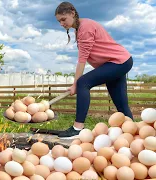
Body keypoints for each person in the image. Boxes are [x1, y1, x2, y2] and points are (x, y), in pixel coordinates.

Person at [54, 2, 133, 138]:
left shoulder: (85, 27)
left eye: (63, 19)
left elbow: (82, 59)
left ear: (72, 13)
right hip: (119, 62)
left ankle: (78, 128)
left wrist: (75, 84)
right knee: (121, 105)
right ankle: (133, 131)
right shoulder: (78, 29)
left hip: (118, 62)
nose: (61, 24)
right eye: (59, 21)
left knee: (83, 82)